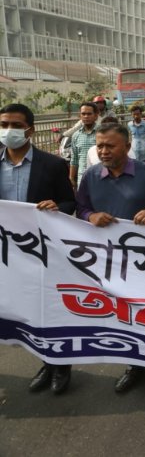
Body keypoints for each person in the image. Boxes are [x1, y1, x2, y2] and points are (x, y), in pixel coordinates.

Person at [74, 122, 145, 395]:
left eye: (109, 145)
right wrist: (90, 216)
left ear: (127, 147)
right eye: (99, 145)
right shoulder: (90, 175)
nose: (103, 151)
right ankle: (134, 364)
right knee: (121, 314)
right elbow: (80, 207)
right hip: (108, 264)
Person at [0, 103, 76, 395]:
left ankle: (61, 365)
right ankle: (46, 361)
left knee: (50, 309)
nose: (8, 131)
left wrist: (57, 207)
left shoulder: (52, 165)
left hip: (42, 252)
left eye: (15, 125)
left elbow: (70, 203)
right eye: (4, 124)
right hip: (8, 256)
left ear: (29, 130)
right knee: (27, 310)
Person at [69, 102, 100, 188]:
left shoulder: (103, 133)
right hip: (82, 178)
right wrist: (71, 178)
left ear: (96, 116)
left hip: (100, 177)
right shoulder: (76, 135)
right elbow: (74, 159)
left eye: (89, 114)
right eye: (83, 114)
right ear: (80, 116)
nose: (86, 116)